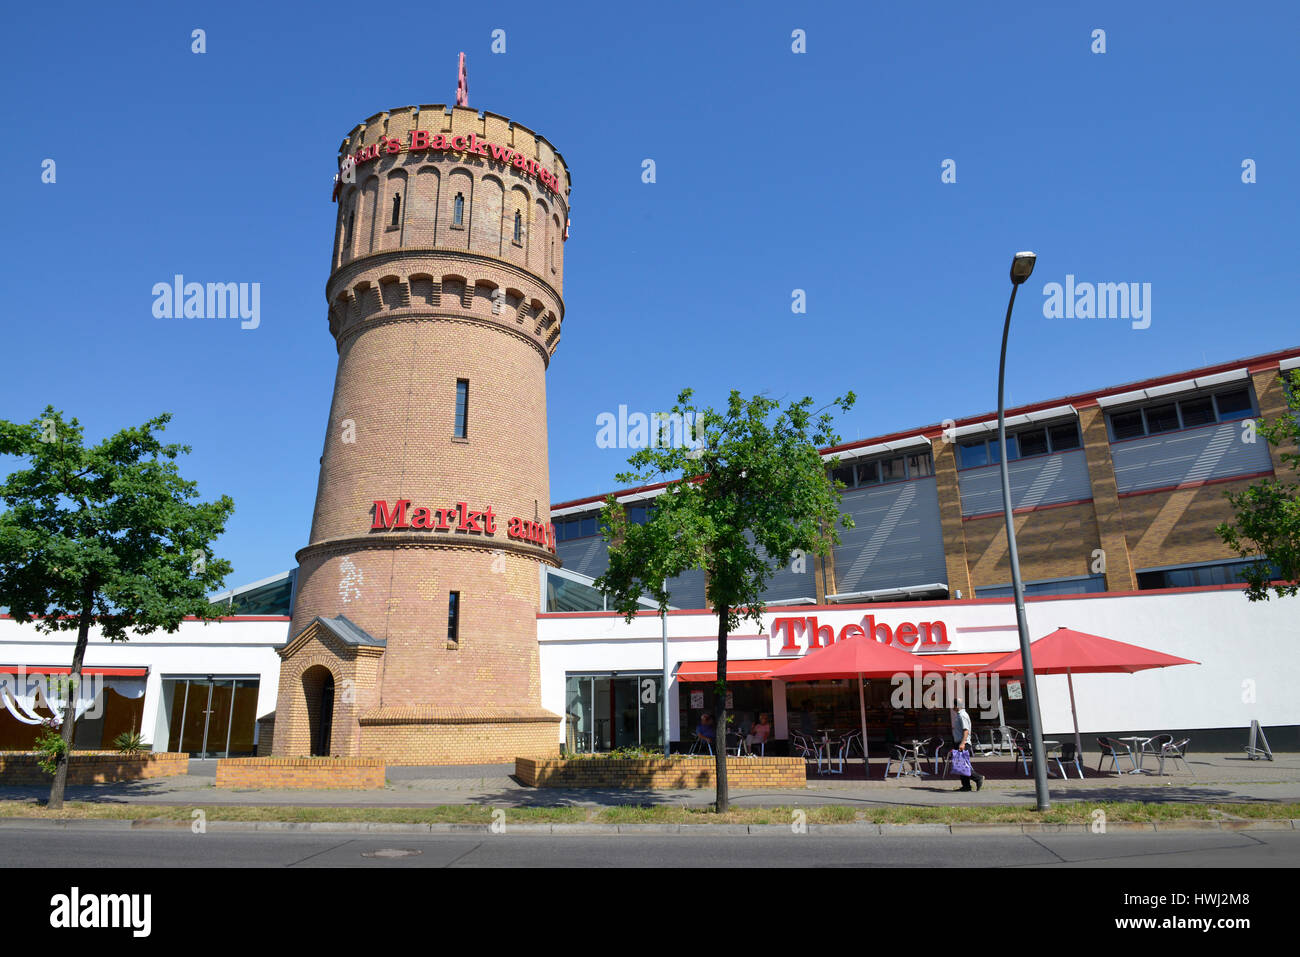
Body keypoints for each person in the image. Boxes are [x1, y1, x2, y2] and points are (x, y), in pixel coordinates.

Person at [950, 701, 984, 792]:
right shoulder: (959, 715)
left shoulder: (962, 715)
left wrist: (963, 743)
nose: (951, 707)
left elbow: (966, 730)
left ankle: (978, 778)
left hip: (963, 743)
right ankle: (966, 786)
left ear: (957, 706)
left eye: (953, 705)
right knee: (960, 765)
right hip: (960, 742)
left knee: (962, 765)